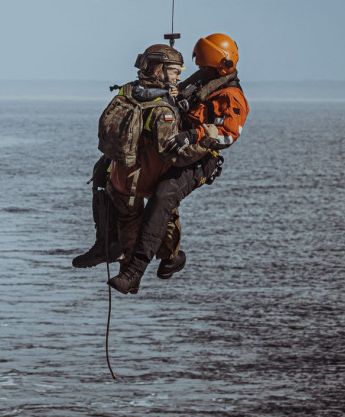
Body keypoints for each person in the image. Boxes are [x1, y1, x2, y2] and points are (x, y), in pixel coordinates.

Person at [107, 33, 249, 295]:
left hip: (201, 158)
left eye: (206, 66)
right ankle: (130, 249)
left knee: (164, 194)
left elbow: (228, 134)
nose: (201, 70)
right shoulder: (201, 83)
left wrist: (195, 135)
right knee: (110, 172)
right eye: (201, 66)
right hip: (175, 145)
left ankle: (135, 270)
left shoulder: (231, 97)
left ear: (221, 66)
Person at [71, 43, 199, 288]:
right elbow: (171, 152)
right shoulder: (164, 109)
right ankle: (170, 258)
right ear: (158, 69)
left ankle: (125, 271)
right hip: (150, 178)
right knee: (164, 218)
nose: (179, 76)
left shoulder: (126, 93)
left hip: (122, 177)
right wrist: (204, 147)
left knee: (127, 219)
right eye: (174, 71)